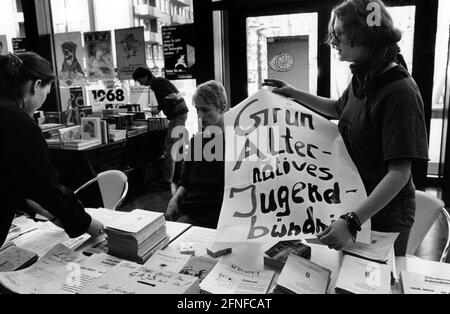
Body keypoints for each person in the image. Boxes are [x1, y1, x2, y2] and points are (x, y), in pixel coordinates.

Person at [264, 0, 428, 256]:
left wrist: (352, 220)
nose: (332, 41)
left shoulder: (399, 91)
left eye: (339, 34)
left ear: (365, 35)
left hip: (385, 214)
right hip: (356, 199)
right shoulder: (365, 76)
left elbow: (399, 173)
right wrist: (295, 94)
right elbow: (339, 109)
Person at [0, 52, 104, 248]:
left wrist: (32, 205)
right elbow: (45, 185)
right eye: (46, 93)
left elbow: (8, 176)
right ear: (36, 85)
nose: (44, 100)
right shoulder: (17, 122)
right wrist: (88, 224)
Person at [165, 80, 229, 228]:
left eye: (205, 110)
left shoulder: (237, 142)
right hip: (193, 214)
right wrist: (174, 199)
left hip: (224, 216)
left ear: (222, 108)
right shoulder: (197, 142)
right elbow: (185, 182)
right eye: (197, 109)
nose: (200, 115)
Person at [132, 67, 189, 192]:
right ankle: (180, 176)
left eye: (140, 80)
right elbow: (173, 95)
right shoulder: (160, 81)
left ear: (145, 76)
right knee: (177, 146)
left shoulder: (156, 83)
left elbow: (169, 97)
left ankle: (167, 180)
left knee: (170, 146)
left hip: (177, 115)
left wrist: (158, 108)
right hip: (181, 112)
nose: (140, 83)